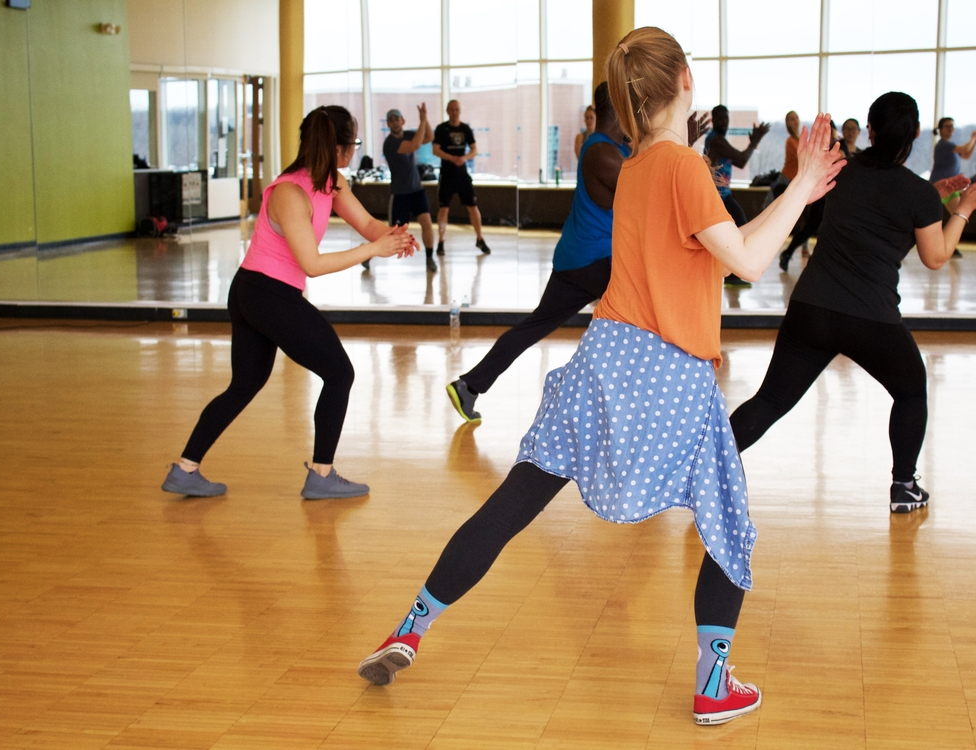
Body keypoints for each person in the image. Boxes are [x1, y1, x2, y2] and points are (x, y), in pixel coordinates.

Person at [357, 26, 843, 727]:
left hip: (603, 356)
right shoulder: (682, 167)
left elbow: (729, 245)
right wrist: (800, 185)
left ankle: (410, 627)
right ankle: (713, 684)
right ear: (684, 82)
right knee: (728, 523)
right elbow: (748, 263)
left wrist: (797, 189)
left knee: (513, 503)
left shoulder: (640, 164)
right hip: (670, 370)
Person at [728, 91, 976, 516]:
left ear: (869, 130)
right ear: (914, 134)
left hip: (812, 309)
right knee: (911, 391)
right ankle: (904, 486)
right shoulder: (917, 194)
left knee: (771, 400)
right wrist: (963, 207)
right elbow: (936, 257)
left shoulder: (841, 171)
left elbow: (873, 194)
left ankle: (708, 469)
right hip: (870, 318)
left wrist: (932, 195)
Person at [161, 106, 418, 500]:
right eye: (352, 144)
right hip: (265, 294)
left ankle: (185, 469)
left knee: (245, 384)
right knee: (340, 374)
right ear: (339, 148)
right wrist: (373, 250)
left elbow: (368, 224)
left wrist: (394, 236)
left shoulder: (332, 183)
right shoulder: (289, 193)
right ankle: (321, 474)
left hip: (259, 292)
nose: (353, 152)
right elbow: (311, 265)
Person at [445, 84, 708, 423]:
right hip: (595, 261)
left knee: (536, 327)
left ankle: (469, 385)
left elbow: (646, 164)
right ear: (619, 109)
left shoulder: (612, 148)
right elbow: (651, 184)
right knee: (652, 320)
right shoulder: (602, 153)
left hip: (577, 258)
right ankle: (648, 408)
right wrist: (679, 141)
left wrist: (676, 141)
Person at [705, 105, 770, 288]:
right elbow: (741, 161)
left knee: (739, 227)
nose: (724, 122)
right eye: (720, 119)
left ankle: (731, 271)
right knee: (741, 227)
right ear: (713, 120)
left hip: (723, 194)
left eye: (726, 118)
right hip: (718, 195)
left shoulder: (718, 139)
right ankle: (733, 272)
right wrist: (754, 142)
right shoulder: (716, 140)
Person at [378, 104, 436, 273]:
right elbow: (415, 146)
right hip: (400, 194)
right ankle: (369, 255)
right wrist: (422, 120)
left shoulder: (410, 134)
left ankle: (429, 258)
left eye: (397, 119)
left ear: (403, 121)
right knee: (392, 233)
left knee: (426, 222)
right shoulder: (390, 143)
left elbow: (429, 137)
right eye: (391, 120)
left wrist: (425, 120)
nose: (394, 122)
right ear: (388, 124)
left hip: (417, 190)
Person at [778, 120, 840, 272]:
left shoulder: (843, 147)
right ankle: (788, 253)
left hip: (838, 196)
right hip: (821, 194)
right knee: (811, 226)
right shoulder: (822, 149)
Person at [433, 100, 490, 256]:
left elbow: (474, 149)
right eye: (451, 109)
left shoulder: (465, 129)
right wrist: (451, 158)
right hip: (447, 174)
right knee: (444, 209)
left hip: (462, 174)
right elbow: (435, 150)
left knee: (473, 207)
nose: (454, 112)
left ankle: (480, 238)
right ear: (447, 111)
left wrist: (464, 158)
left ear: (460, 111)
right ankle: (441, 241)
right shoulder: (441, 129)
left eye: (457, 109)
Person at [929, 117, 976, 258]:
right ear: (940, 130)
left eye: (952, 126)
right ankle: (947, 245)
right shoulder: (943, 145)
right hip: (941, 187)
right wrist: (973, 139)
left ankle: (950, 245)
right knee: (957, 215)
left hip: (950, 188)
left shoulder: (950, 145)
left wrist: (974, 142)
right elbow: (965, 149)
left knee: (956, 215)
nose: (951, 129)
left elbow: (966, 154)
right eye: (947, 126)